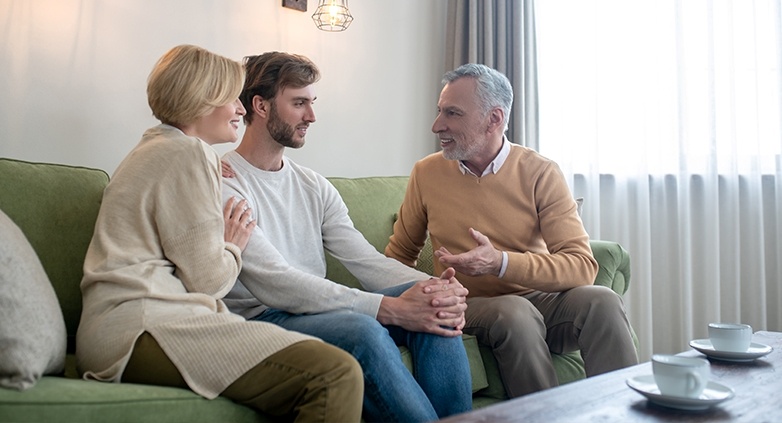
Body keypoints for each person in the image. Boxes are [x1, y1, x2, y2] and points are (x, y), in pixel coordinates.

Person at [75, 44, 363, 422]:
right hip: (142, 326)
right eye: (232, 98)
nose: (241, 109)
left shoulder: (160, 148)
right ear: (202, 100)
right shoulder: (187, 154)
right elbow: (208, 283)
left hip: (117, 328)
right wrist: (231, 245)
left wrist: (208, 171)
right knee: (335, 373)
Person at [220, 51, 473, 423]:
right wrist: (387, 307)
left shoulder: (313, 186)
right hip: (264, 319)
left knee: (435, 307)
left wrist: (436, 288)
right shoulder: (226, 182)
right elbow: (277, 282)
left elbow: (365, 261)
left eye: (312, 103)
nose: (312, 116)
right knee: (362, 329)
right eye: (299, 103)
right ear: (260, 105)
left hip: (317, 310)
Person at [385, 63, 638, 398]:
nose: (437, 125)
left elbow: (582, 266)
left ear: (494, 119)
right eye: (439, 111)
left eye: (452, 113)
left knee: (602, 301)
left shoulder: (539, 172)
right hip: (471, 303)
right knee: (514, 312)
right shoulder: (427, 173)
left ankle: (624, 411)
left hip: (538, 299)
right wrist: (405, 301)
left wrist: (500, 262)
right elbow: (400, 255)